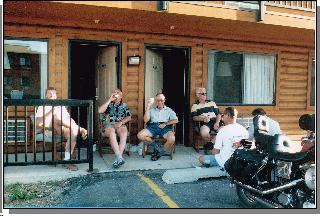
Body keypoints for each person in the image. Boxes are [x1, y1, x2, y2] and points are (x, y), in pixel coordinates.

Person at [35, 87, 87, 171]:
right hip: (50, 128)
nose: (52, 95)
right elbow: (37, 124)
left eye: (54, 93)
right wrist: (50, 111)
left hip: (63, 127)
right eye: (49, 93)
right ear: (46, 95)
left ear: (56, 95)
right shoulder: (42, 106)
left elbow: (67, 118)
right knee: (56, 117)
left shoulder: (60, 105)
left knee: (73, 133)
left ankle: (67, 160)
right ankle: (81, 129)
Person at [137, 93, 178, 161]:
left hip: (165, 128)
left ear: (164, 100)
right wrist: (148, 106)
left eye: (161, 100)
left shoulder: (169, 110)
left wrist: (166, 123)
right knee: (140, 135)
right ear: (156, 101)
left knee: (172, 139)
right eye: (158, 100)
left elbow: (176, 120)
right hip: (153, 127)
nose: (159, 102)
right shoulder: (151, 110)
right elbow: (145, 120)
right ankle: (157, 147)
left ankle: (159, 153)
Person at [98, 89, 132, 168]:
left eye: (118, 94)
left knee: (124, 133)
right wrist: (109, 100)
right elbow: (100, 111)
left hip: (120, 124)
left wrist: (121, 122)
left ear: (121, 96)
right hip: (109, 125)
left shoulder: (124, 105)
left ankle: (118, 159)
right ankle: (119, 157)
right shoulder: (108, 105)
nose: (116, 95)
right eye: (114, 93)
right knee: (112, 133)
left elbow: (129, 117)